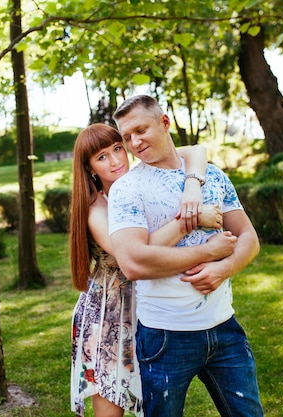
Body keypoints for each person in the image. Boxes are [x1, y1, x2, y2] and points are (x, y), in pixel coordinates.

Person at [108, 95, 264, 417]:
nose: (135, 143)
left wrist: (227, 267)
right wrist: (208, 252)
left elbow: (249, 236)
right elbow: (133, 262)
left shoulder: (212, 175)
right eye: (127, 137)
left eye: (141, 130)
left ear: (164, 123)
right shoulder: (127, 189)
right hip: (165, 336)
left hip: (225, 327)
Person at [69, 123, 232, 417]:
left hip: (152, 306)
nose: (116, 160)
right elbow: (133, 256)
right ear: (90, 168)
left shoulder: (138, 184)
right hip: (111, 313)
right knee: (111, 404)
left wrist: (193, 186)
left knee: (156, 403)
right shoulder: (96, 209)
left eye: (118, 148)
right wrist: (193, 220)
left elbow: (196, 151)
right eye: (102, 157)